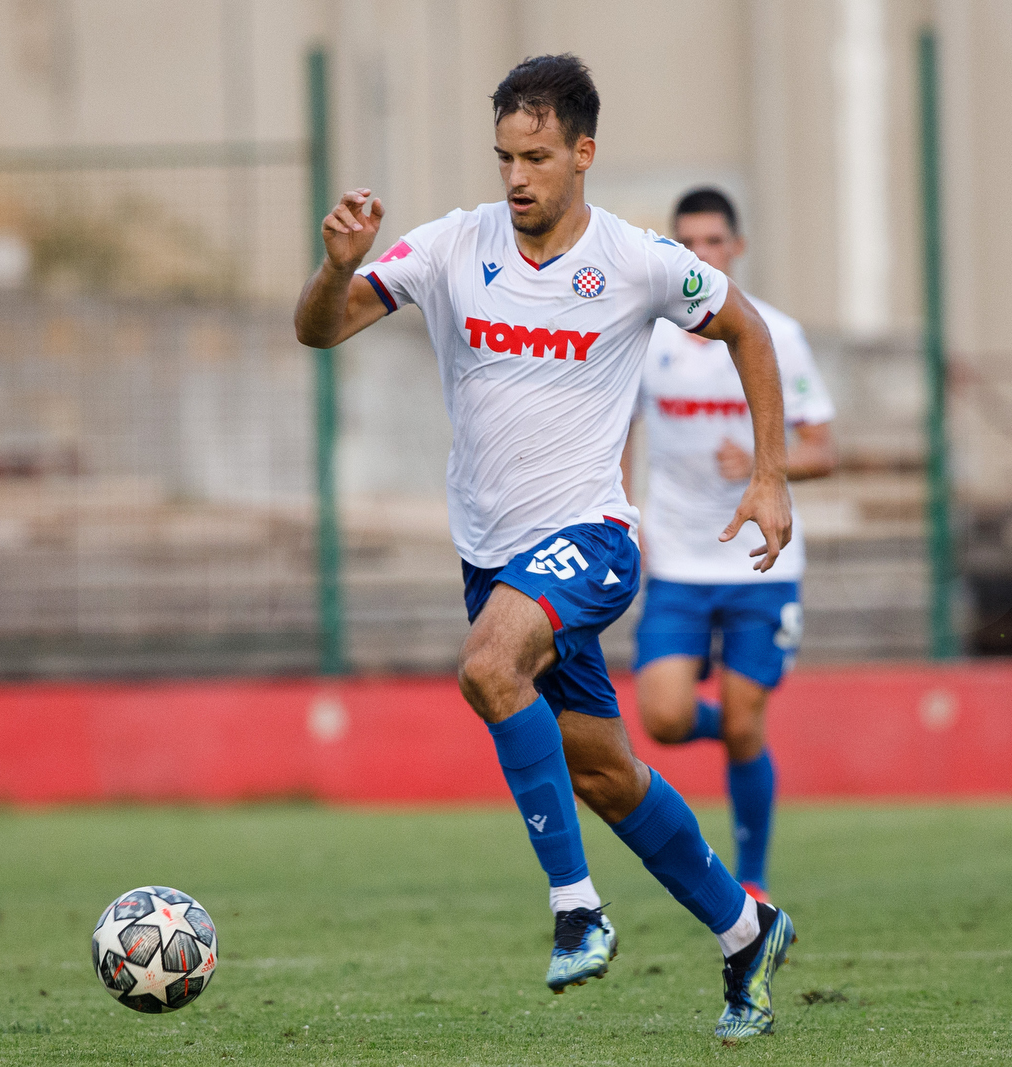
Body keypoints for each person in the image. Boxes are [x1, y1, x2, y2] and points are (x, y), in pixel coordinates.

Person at [294, 54, 798, 1038]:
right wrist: (338, 265)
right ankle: (745, 930)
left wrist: (769, 469)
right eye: (503, 157)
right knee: (605, 774)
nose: (515, 176)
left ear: (581, 153)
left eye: (534, 157)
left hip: (592, 538)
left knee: (487, 667)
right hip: (491, 557)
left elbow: (747, 330)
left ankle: (578, 908)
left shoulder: (637, 259)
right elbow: (321, 329)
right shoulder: (450, 247)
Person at [622, 188, 836, 904]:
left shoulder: (772, 332)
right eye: (687, 244)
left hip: (759, 561)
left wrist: (757, 461)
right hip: (679, 558)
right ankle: (742, 731)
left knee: (747, 714)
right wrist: (622, 514)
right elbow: (618, 431)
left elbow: (821, 449)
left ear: (736, 248)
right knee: (663, 717)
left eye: (713, 242)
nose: (700, 256)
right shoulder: (649, 340)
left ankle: (754, 877)